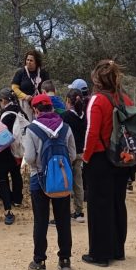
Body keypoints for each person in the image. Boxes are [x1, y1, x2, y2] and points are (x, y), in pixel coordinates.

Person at [81, 59, 133, 267]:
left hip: (100, 157)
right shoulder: (125, 99)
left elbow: (91, 132)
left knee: (98, 206)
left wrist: (85, 157)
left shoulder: (97, 100)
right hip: (121, 157)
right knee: (117, 203)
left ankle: (100, 254)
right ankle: (118, 249)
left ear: (96, 79)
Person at [22, 94, 75, 270]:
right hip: (62, 179)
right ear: (51, 108)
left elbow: (28, 157)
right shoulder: (65, 128)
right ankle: (65, 260)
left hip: (39, 179)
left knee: (41, 221)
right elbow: (73, 155)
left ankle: (39, 261)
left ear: (35, 110)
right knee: (63, 220)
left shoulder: (32, 129)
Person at [0, 89, 27, 215]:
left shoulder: (6, 114)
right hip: (19, 148)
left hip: (8, 149)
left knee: (3, 174)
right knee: (16, 173)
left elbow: (1, 133)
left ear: (3, 100)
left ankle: (6, 196)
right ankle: (18, 199)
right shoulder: (20, 110)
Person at [61, 88, 87, 222]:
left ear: (68, 101)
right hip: (80, 152)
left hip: (67, 153)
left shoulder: (65, 116)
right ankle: (79, 211)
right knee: (78, 181)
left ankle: (64, 211)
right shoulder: (85, 116)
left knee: (65, 181)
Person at [11, 49, 49, 118]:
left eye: (31, 60)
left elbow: (48, 87)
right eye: (27, 60)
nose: (28, 62)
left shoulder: (43, 73)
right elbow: (14, 88)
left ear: (36, 62)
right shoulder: (20, 72)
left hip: (40, 104)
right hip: (25, 104)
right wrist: (25, 96)